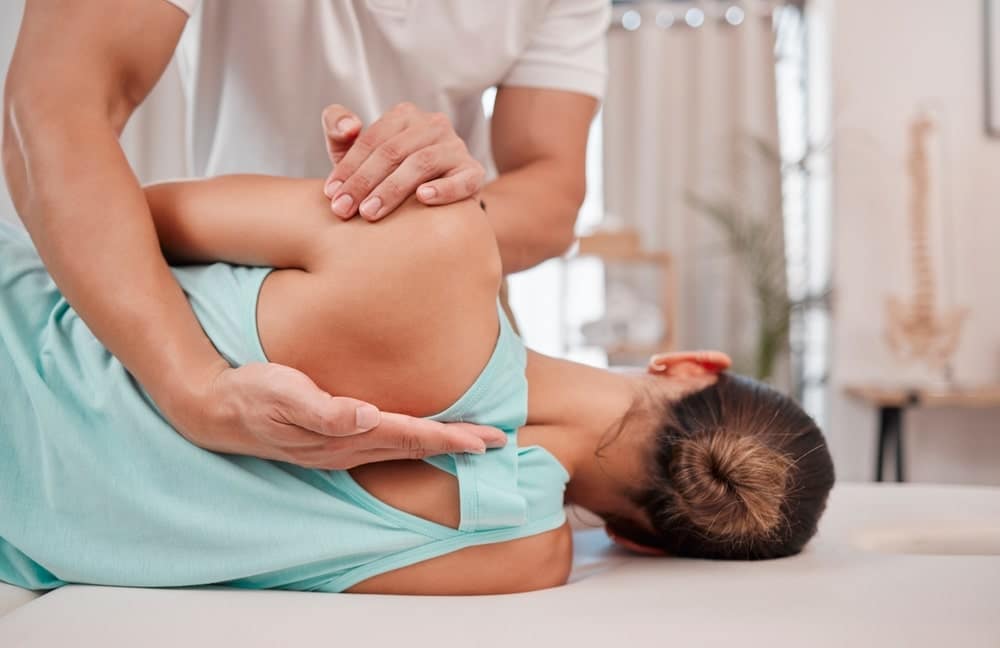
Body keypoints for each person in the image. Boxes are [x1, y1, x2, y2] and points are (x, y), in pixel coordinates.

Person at [0, 175, 836, 596]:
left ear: (694, 366)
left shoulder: (433, 254)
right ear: (642, 541)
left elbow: (102, 217)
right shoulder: (520, 562)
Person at [1, 0, 607, 469]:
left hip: (444, 299)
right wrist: (193, 389)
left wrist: (419, 239)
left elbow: (551, 191)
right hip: (223, 303)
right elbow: (53, 99)